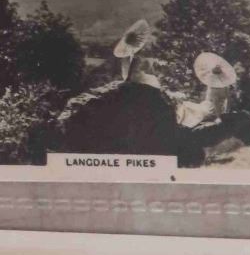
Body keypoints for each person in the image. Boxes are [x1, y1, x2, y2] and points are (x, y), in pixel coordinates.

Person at [49, 20, 182, 161]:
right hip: (139, 85)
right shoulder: (136, 60)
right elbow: (129, 77)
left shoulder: (133, 60)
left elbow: (128, 77)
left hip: (137, 85)